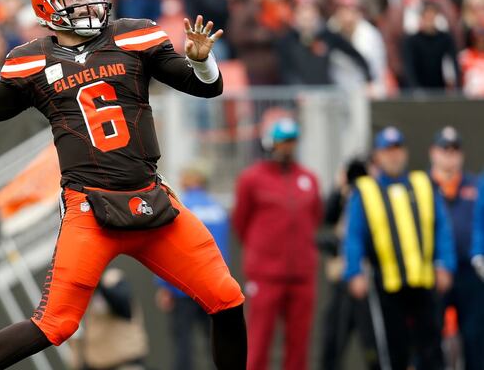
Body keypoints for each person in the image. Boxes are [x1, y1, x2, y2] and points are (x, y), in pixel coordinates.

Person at [0, 0, 246, 370]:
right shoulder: (32, 61)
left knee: (227, 298)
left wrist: (202, 61)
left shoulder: (134, 37)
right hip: (90, 209)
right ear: (48, 7)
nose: (89, 6)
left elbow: (206, 88)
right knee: (54, 324)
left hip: (151, 201)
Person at [344, 126, 456, 370]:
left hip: (424, 280)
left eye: (397, 149)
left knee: (431, 347)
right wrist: (354, 271)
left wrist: (445, 263)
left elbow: (442, 227)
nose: (393, 156)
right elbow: (354, 236)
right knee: (393, 350)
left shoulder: (422, 183)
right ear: (378, 155)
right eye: (387, 150)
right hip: (387, 283)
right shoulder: (366, 190)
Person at [232, 118, 322, 370]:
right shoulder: (251, 179)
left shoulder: (309, 178)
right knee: (259, 342)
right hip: (266, 275)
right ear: (270, 143)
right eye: (283, 141)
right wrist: (262, 252)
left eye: (292, 141)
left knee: (299, 344)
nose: (288, 147)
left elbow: (314, 218)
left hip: (302, 274)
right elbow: (241, 222)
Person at [155, 164, 231, 370]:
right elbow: (223, 251)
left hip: (183, 288)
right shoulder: (218, 209)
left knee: (183, 345)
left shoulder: (181, 206)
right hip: (212, 287)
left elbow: (168, 249)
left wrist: (164, 286)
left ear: (194, 179)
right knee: (215, 344)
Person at [429, 126, 484, 370]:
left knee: (475, 338)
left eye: (455, 150)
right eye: (445, 149)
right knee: (431, 339)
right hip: (435, 272)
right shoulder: (422, 186)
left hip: (471, 272)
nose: (450, 155)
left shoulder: (476, 184)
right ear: (433, 153)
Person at [318, 158, 378, 370]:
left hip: (367, 285)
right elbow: (324, 219)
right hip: (340, 283)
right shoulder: (342, 199)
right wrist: (339, 188)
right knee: (332, 345)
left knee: (374, 347)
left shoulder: (375, 200)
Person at [70, 268, 148, 370]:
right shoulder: (78, 295)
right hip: (97, 365)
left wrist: (97, 283)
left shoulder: (113, 279)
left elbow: (124, 308)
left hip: (126, 363)